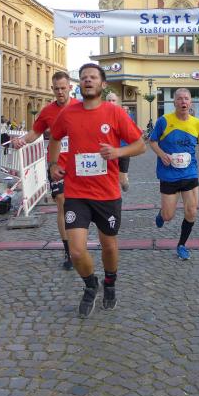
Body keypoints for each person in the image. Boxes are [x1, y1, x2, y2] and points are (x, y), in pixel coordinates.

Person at [47, 63, 145, 318]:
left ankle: (110, 283)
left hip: (106, 194)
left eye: (92, 77)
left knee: (108, 246)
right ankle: (91, 285)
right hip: (76, 193)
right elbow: (54, 137)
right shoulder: (68, 113)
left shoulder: (115, 113)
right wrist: (53, 164)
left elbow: (140, 145)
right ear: (79, 84)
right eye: (83, 78)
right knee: (77, 250)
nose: (87, 81)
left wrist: (118, 152)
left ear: (103, 84)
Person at [12, 71, 80, 270]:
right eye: (56, 89)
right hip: (57, 166)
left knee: (80, 207)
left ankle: (79, 243)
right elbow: (35, 132)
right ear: (52, 89)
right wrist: (22, 140)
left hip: (79, 166)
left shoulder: (80, 107)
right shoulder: (48, 111)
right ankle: (68, 252)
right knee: (62, 204)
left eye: (63, 88)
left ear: (70, 88)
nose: (60, 92)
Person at [149, 88, 199, 260]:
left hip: (189, 173)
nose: (183, 102)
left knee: (192, 211)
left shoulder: (197, 123)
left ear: (190, 102)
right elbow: (152, 141)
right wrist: (162, 154)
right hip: (168, 174)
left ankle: (182, 245)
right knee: (168, 216)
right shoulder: (164, 121)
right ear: (174, 102)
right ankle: (162, 214)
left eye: (186, 99)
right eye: (179, 99)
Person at [105, 92, 131, 192]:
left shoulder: (123, 116)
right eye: (109, 100)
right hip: (108, 152)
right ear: (105, 102)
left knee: (123, 181)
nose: (111, 102)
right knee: (110, 179)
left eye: (113, 100)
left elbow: (132, 134)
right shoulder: (101, 115)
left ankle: (124, 180)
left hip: (123, 150)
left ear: (117, 102)